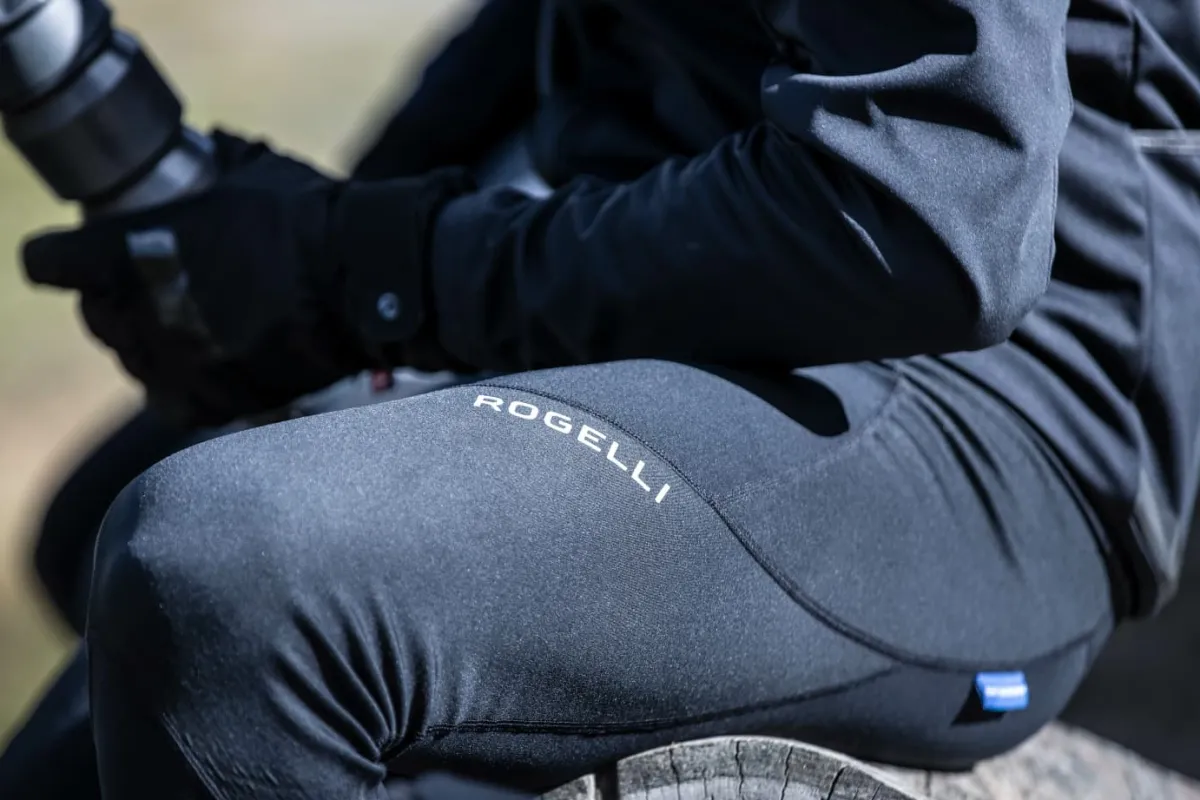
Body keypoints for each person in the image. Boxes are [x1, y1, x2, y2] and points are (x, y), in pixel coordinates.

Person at [4, 0, 1200, 797]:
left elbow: (928, 210)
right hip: (698, 285)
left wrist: (368, 269)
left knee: (229, 575)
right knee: (103, 524)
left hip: (980, 406)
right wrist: (303, 244)